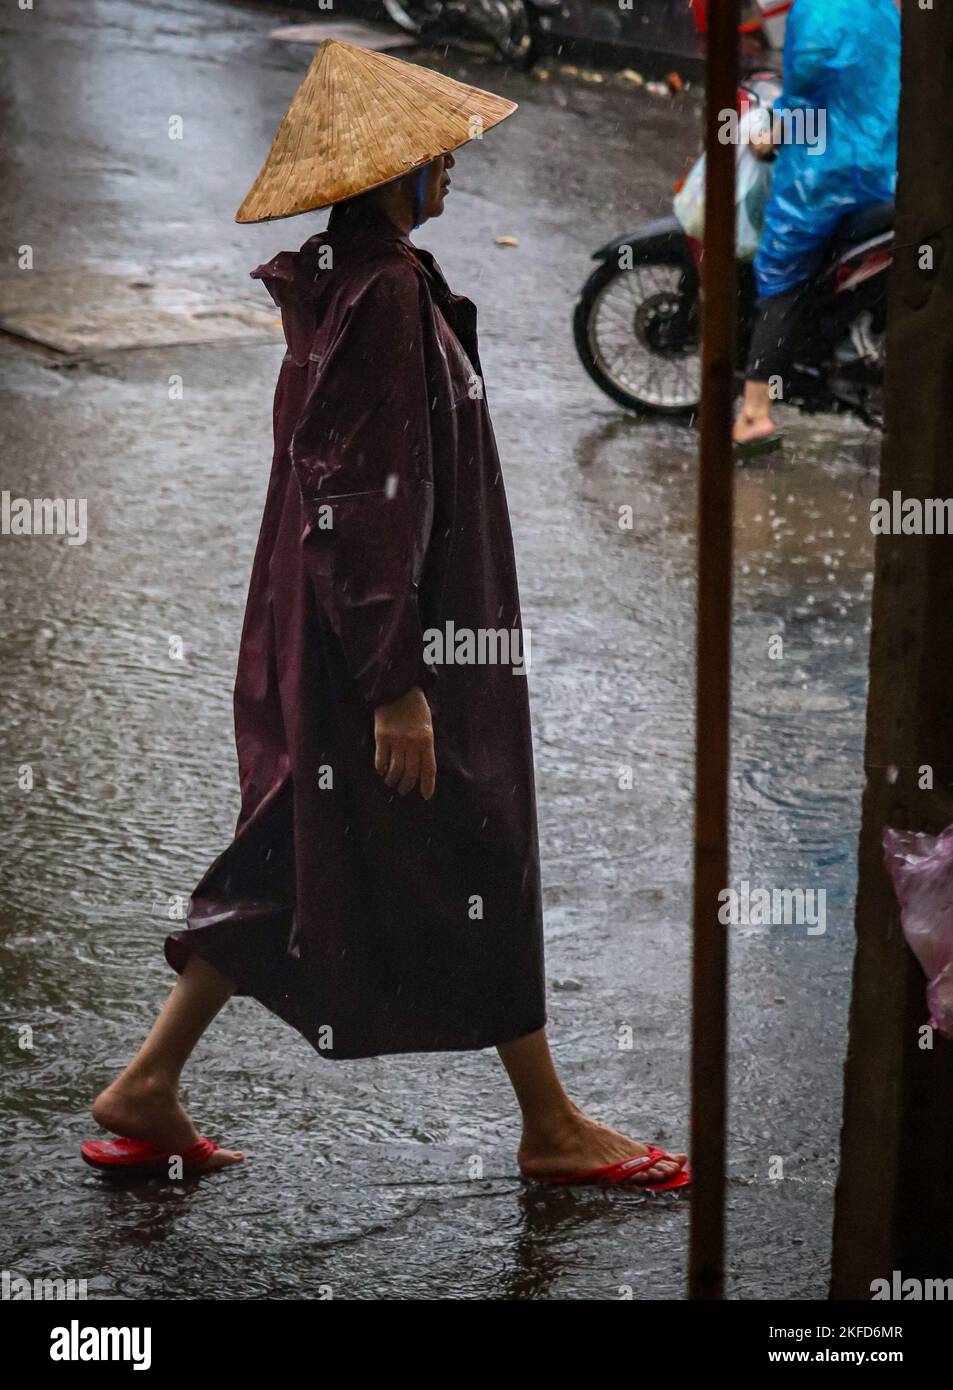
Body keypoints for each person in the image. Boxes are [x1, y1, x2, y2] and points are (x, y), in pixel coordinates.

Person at [81, 41, 690, 1191]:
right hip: (386, 645)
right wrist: (396, 681)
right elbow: (365, 499)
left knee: (290, 853)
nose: (452, 165)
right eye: (432, 153)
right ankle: (550, 1122)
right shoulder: (385, 295)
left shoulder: (346, 279)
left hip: (336, 637)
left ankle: (147, 1082)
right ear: (386, 174)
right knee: (482, 843)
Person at [733, 0, 900, 453]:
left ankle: (753, 414)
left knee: (782, 274)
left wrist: (770, 136)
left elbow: (804, 94)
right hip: (880, 167)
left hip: (823, 172)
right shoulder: (882, 9)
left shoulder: (819, 12)